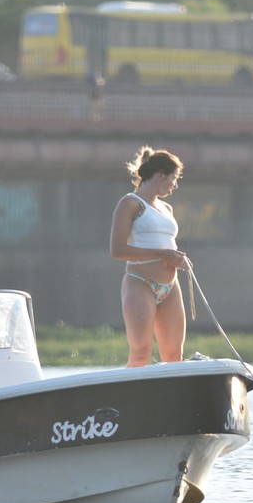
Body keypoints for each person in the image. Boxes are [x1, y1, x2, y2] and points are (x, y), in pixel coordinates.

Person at [110, 146, 189, 367]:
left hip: (170, 287)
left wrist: (177, 258)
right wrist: (164, 254)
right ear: (161, 175)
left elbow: (166, 242)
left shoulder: (167, 208)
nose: (175, 185)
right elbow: (117, 250)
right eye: (174, 178)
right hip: (140, 284)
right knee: (141, 352)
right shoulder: (130, 203)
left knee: (174, 355)